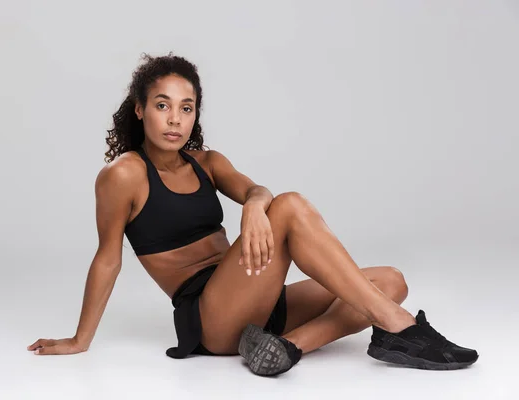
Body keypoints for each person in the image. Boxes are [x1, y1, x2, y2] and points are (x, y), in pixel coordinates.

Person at [27, 53, 479, 376]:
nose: (174, 120)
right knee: (292, 206)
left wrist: (255, 206)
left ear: (195, 115)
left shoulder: (207, 162)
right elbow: (108, 257)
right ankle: (399, 328)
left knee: (391, 281)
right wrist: (79, 339)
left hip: (257, 298)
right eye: (162, 105)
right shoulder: (124, 175)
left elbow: (257, 190)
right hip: (209, 316)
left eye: (186, 108)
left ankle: (287, 347)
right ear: (140, 109)